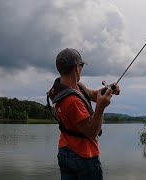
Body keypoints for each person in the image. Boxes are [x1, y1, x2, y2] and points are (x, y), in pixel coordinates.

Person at [47, 48, 120, 180]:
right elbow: (92, 133)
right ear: (76, 68)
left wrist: (109, 89)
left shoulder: (74, 86)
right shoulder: (72, 101)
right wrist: (100, 106)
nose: (82, 68)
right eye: (81, 65)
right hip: (83, 156)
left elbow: (93, 94)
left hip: (64, 150)